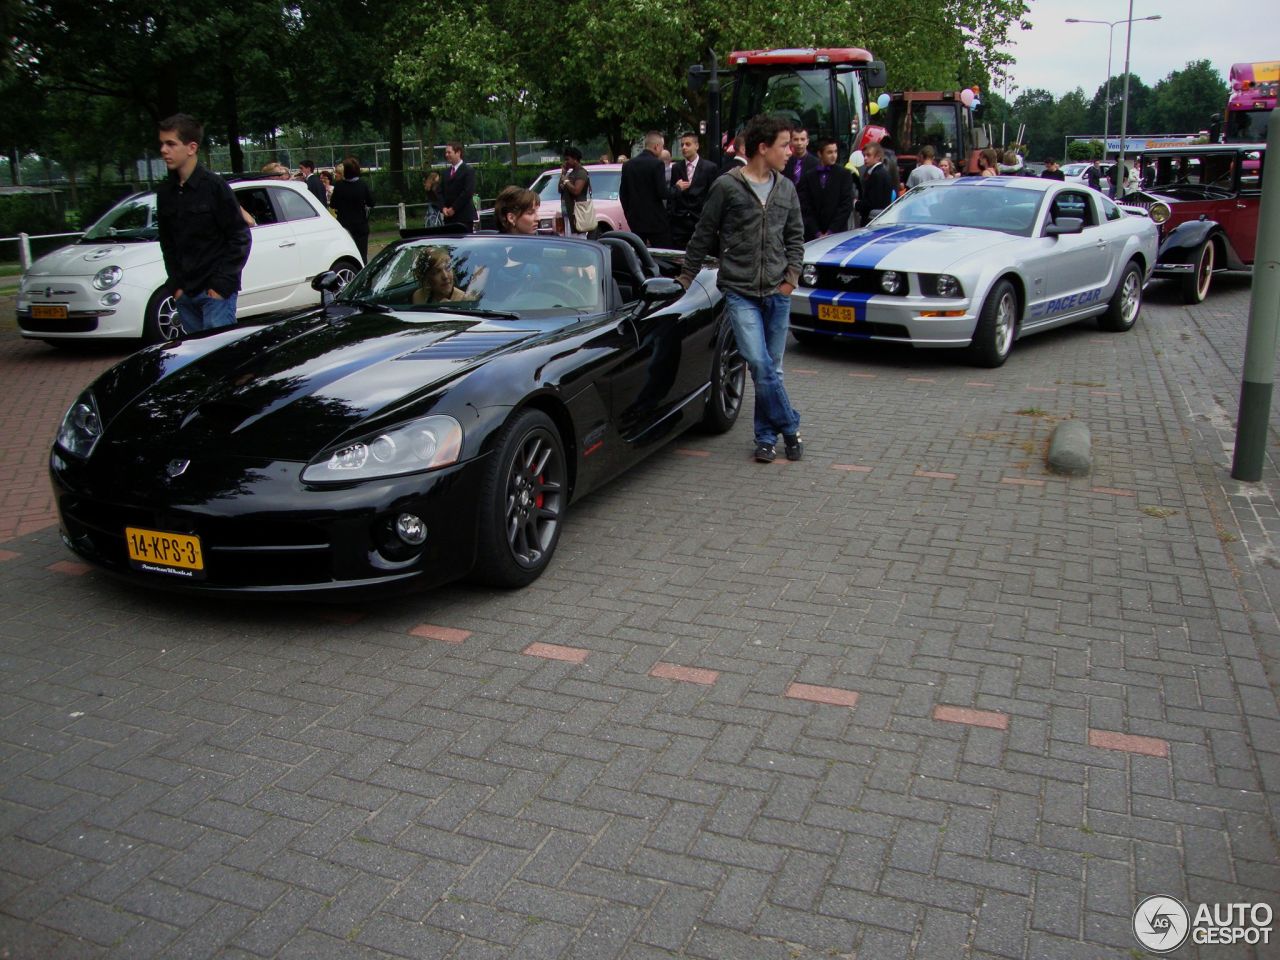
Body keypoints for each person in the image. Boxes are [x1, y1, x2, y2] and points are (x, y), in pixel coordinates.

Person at [678, 113, 804, 464]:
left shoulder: (786, 188)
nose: (790, 151)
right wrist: (686, 277)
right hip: (740, 290)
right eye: (784, 145)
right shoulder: (727, 186)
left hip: (777, 292)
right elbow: (703, 233)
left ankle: (765, 437)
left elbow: (795, 237)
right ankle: (791, 426)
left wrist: (790, 279)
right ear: (763, 148)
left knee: (771, 369)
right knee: (759, 363)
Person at [155, 113, 251, 337]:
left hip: (215, 294)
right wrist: (176, 285)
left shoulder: (214, 187)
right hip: (185, 293)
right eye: (162, 144)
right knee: (197, 361)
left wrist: (221, 285)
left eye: (171, 144)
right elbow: (167, 243)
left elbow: (240, 236)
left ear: (191, 147)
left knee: (219, 361)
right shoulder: (165, 193)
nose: (164, 150)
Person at [619, 130, 671, 247]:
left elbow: (623, 194)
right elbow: (662, 192)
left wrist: (629, 214)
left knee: (638, 256)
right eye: (662, 147)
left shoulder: (628, 165)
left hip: (635, 220)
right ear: (657, 146)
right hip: (656, 222)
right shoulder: (657, 164)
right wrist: (678, 188)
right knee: (663, 255)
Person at [797, 137, 854, 241]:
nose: (834, 156)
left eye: (835, 152)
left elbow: (846, 205)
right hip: (813, 234)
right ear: (820, 154)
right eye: (829, 152)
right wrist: (817, 232)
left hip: (838, 233)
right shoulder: (808, 176)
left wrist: (831, 231)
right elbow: (805, 207)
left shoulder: (844, 174)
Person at [668, 132, 716, 249]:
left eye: (688, 144)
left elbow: (713, 196)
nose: (684, 147)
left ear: (697, 146)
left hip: (700, 221)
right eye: (682, 145)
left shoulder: (709, 168)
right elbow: (672, 195)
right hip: (680, 224)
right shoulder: (676, 168)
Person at [329, 156, 374, 261]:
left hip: (344, 225)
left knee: (346, 255)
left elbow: (333, 204)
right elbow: (371, 202)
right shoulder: (362, 185)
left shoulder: (339, 186)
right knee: (362, 255)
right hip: (360, 224)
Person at [411, 246, 485, 304]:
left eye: (448, 268)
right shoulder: (419, 296)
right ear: (427, 278)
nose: (445, 276)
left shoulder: (463, 301)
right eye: (437, 272)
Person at [440, 141, 476, 232]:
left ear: (458, 152)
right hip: (448, 218)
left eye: (449, 152)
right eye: (446, 152)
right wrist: (443, 207)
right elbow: (440, 192)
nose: (447, 155)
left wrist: (454, 208)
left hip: (464, 217)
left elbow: (467, 192)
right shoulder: (445, 173)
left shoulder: (468, 171)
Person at [558, 147, 592, 237]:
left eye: (567, 159)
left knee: (578, 237)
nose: (566, 162)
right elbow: (559, 189)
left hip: (577, 213)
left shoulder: (581, 173)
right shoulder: (570, 173)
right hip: (568, 212)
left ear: (575, 159)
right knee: (569, 238)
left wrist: (566, 181)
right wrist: (563, 173)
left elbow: (576, 191)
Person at [856, 141, 893, 222]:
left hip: (873, 220)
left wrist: (856, 203)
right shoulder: (881, 172)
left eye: (868, 155)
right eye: (864, 155)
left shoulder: (877, 175)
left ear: (878, 157)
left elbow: (873, 203)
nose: (865, 158)